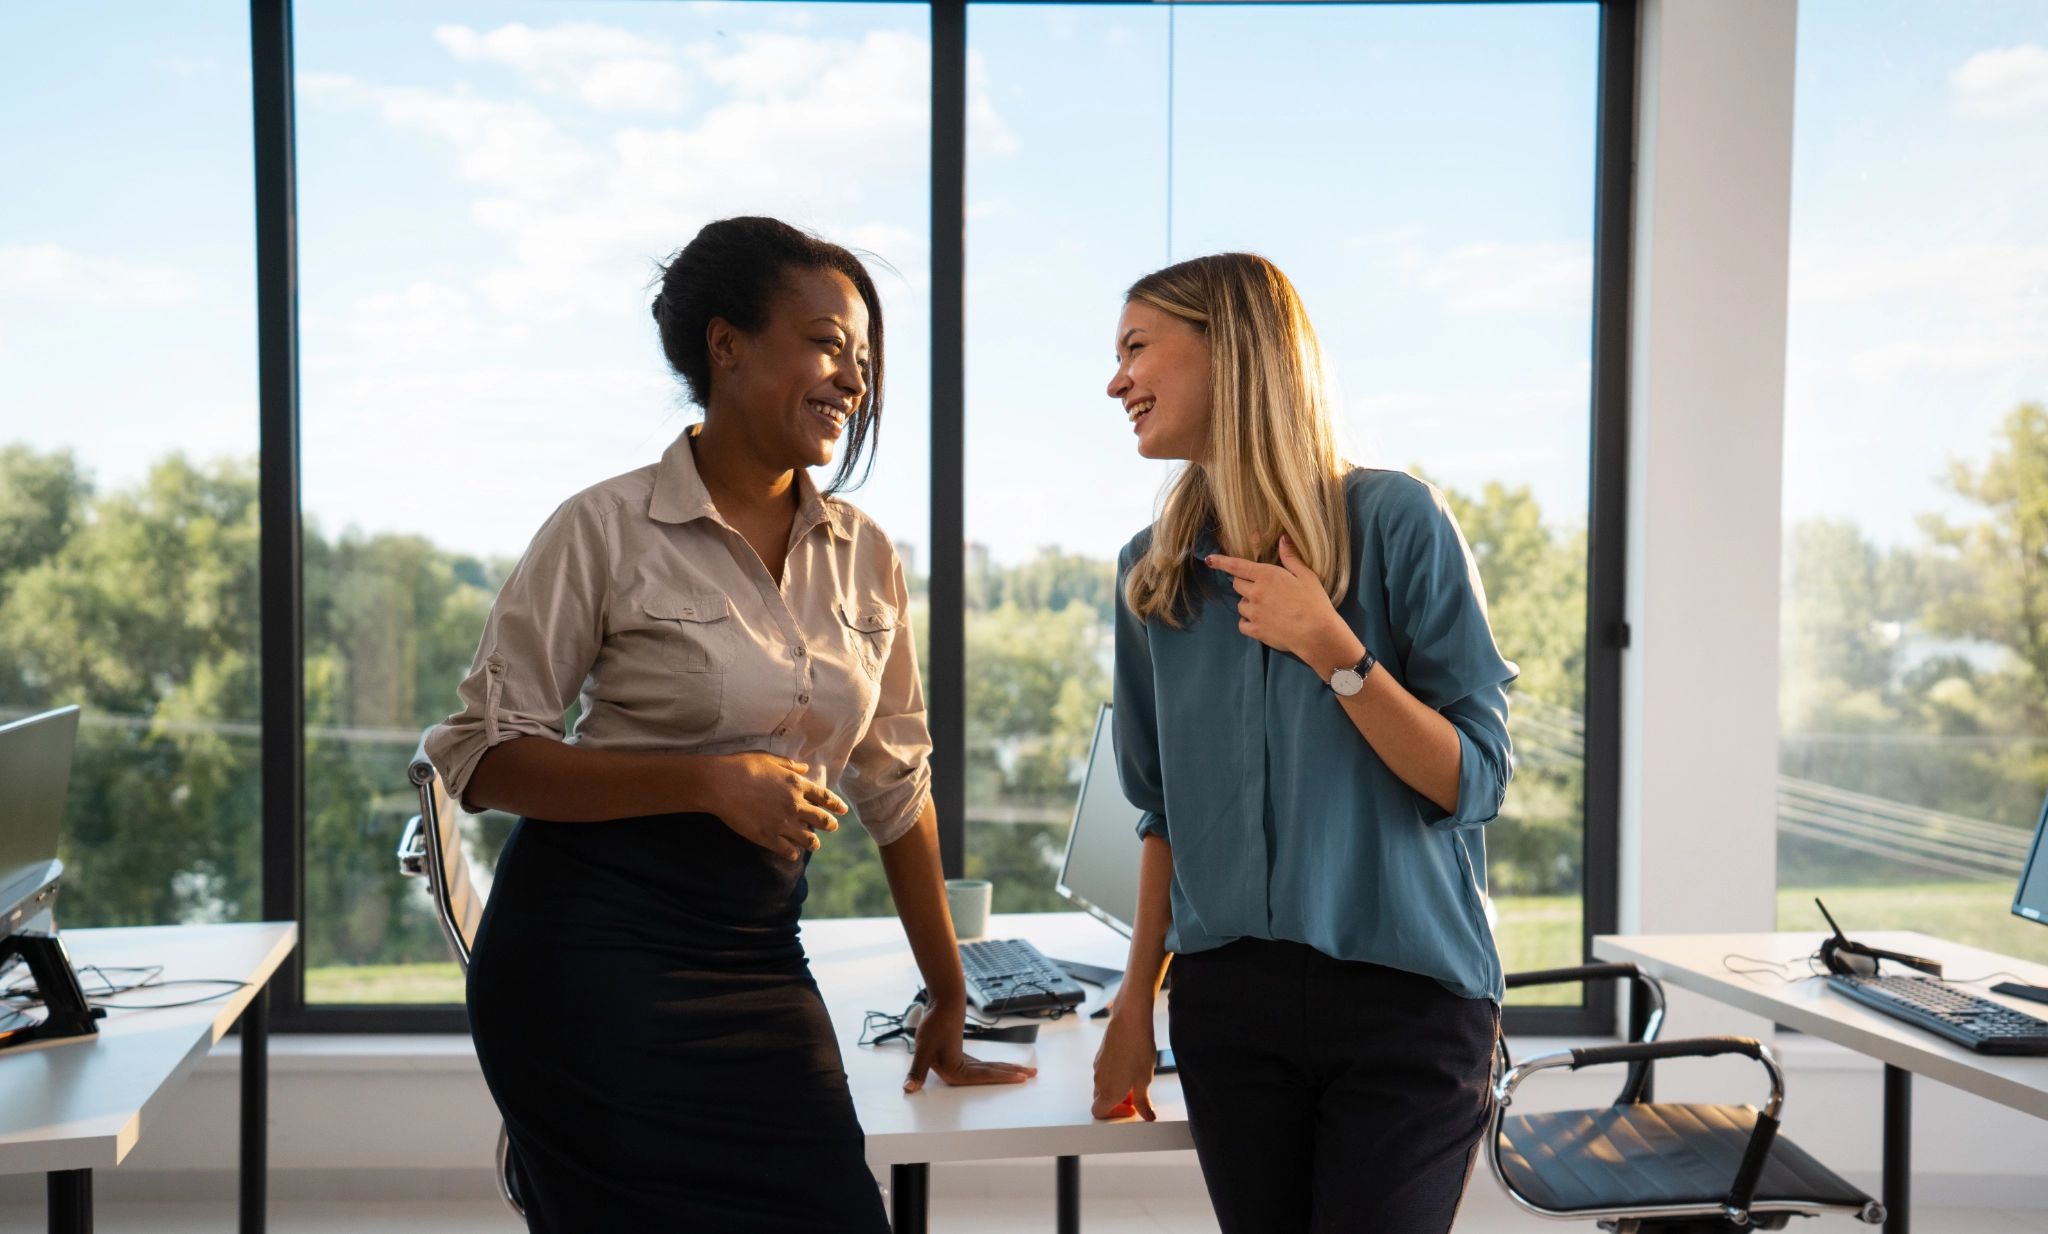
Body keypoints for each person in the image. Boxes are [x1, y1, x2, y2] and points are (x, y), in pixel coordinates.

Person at [427, 216, 1034, 1233]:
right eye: (827, 342)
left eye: (864, 360)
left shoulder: (866, 553)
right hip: (585, 962)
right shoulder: (603, 528)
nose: (852, 377)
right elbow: (481, 757)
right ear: (727, 344)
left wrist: (946, 991)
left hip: (751, 952)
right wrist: (705, 781)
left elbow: (894, 787)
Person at [1088, 253, 1514, 1233]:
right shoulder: (1148, 576)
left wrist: (1333, 650)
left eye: (1135, 348)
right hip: (1229, 1008)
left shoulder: (1396, 520)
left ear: (1231, 352)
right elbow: (1161, 813)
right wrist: (1131, 1003)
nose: (1115, 381)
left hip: (1405, 1004)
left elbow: (1472, 781)